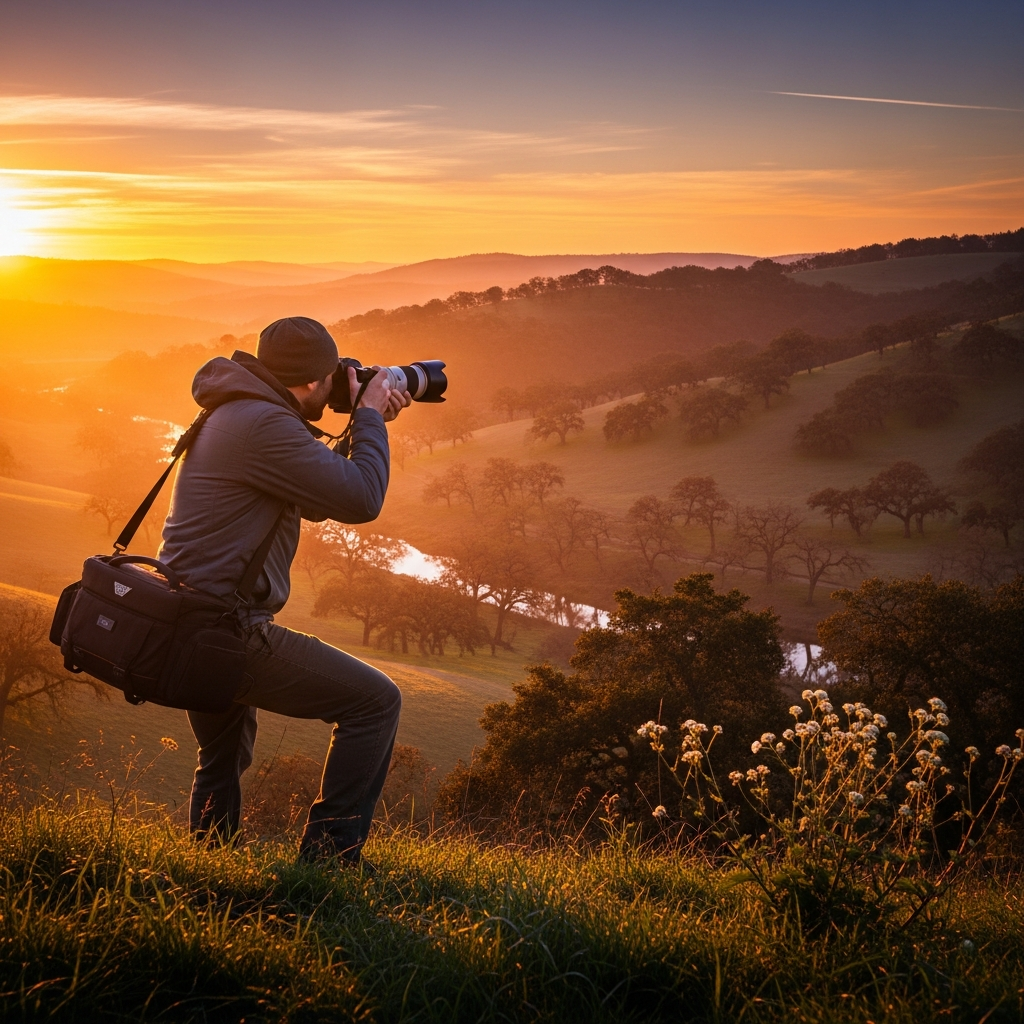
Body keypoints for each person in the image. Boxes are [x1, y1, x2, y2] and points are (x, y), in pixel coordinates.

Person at [157, 316, 410, 868]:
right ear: (319, 379)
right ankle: (329, 859)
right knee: (375, 702)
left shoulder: (237, 409)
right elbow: (361, 499)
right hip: (224, 630)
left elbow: (317, 496)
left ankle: (209, 863)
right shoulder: (264, 426)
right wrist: (367, 416)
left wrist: (355, 427)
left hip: (187, 619)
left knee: (223, 752)